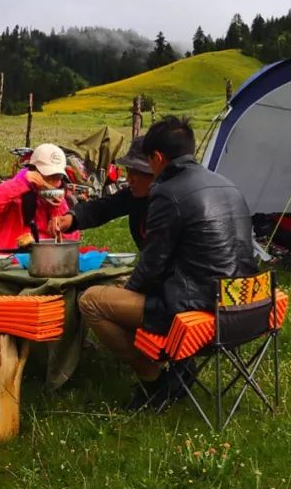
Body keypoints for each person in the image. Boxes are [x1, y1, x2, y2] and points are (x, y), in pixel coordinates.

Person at [78, 116, 257, 410]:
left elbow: (152, 265)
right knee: (124, 293)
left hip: (199, 311)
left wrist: (129, 289)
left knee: (92, 301)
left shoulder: (167, 191)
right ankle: (178, 370)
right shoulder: (224, 184)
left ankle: (154, 382)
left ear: (158, 158)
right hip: (247, 306)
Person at [48, 137, 153, 248]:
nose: (128, 179)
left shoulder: (169, 205)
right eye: (128, 171)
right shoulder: (134, 196)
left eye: (136, 172)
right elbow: (103, 207)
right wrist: (72, 218)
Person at [0, 143, 80, 251]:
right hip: (12, 258)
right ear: (34, 171)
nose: (53, 182)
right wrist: (21, 184)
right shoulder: (14, 189)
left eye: (57, 177)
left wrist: (56, 207)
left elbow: (69, 240)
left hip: (46, 259)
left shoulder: (61, 197)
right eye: (48, 175)